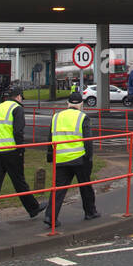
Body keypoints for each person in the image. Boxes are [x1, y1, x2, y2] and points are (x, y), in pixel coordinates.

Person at [0, 84, 42, 228]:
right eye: (22, 98)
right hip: (11, 151)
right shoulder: (17, 109)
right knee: (19, 181)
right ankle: (33, 208)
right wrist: (20, 150)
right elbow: (18, 132)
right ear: (19, 96)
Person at [40, 91, 101, 227]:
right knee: (85, 187)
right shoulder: (83, 117)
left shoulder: (56, 117)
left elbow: (50, 138)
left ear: (67, 103)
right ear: (81, 104)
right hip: (79, 158)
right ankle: (90, 212)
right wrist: (89, 158)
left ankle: (50, 217)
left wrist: (50, 156)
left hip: (61, 158)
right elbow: (88, 141)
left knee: (58, 190)